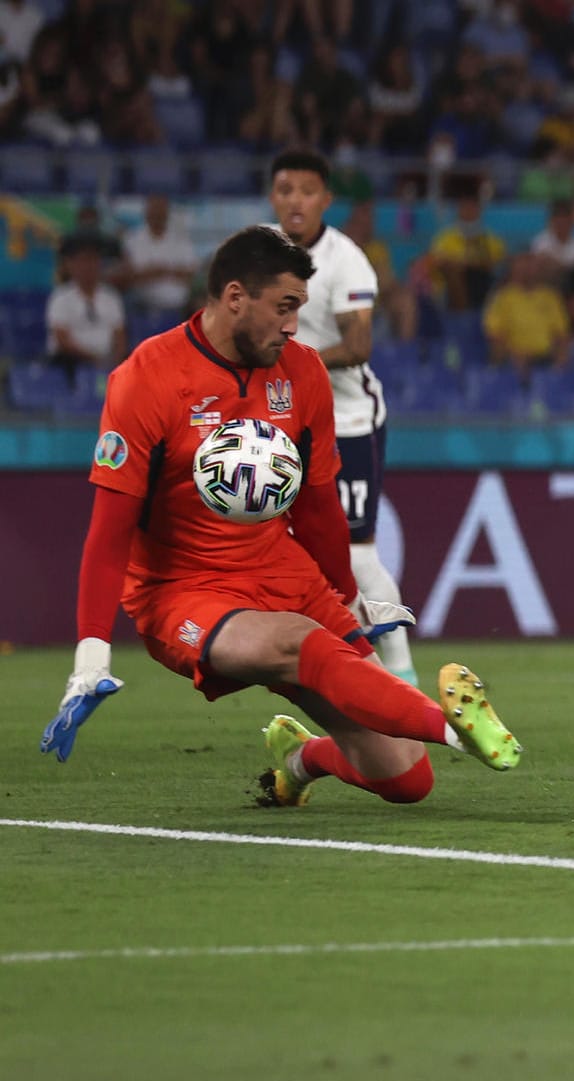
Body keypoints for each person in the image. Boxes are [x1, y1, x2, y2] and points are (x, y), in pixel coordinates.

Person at [42, 226, 522, 806]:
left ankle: (300, 759)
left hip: (282, 572)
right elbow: (109, 530)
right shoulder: (147, 377)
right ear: (236, 297)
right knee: (301, 641)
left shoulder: (303, 372)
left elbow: (319, 505)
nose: (294, 326)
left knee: (406, 779)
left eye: (301, 308)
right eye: (285, 307)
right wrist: (91, 656)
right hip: (184, 591)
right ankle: (453, 728)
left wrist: (343, 594)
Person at [267, 150, 417, 688]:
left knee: (356, 554)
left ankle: (403, 679)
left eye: (307, 191)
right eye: (285, 190)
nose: (295, 201)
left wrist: (288, 363)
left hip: (347, 419)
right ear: (273, 197)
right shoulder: (256, 252)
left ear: (325, 199)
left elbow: (357, 344)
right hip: (279, 424)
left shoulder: (346, 258)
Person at [45, 242, 126, 384]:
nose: (87, 266)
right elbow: (62, 339)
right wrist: (93, 359)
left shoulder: (111, 297)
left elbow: (119, 335)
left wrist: (116, 360)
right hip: (72, 361)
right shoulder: (61, 298)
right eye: (82, 261)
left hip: (107, 359)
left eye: (92, 261)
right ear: (71, 266)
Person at [122, 194, 198, 317]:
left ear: (167, 213)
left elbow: (190, 274)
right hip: (144, 307)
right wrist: (170, 272)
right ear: (147, 213)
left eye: (161, 211)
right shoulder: (133, 239)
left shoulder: (181, 238)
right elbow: (130, 277)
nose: (157, 215)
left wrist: (159, 271)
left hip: (179, 307)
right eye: (154, 211)